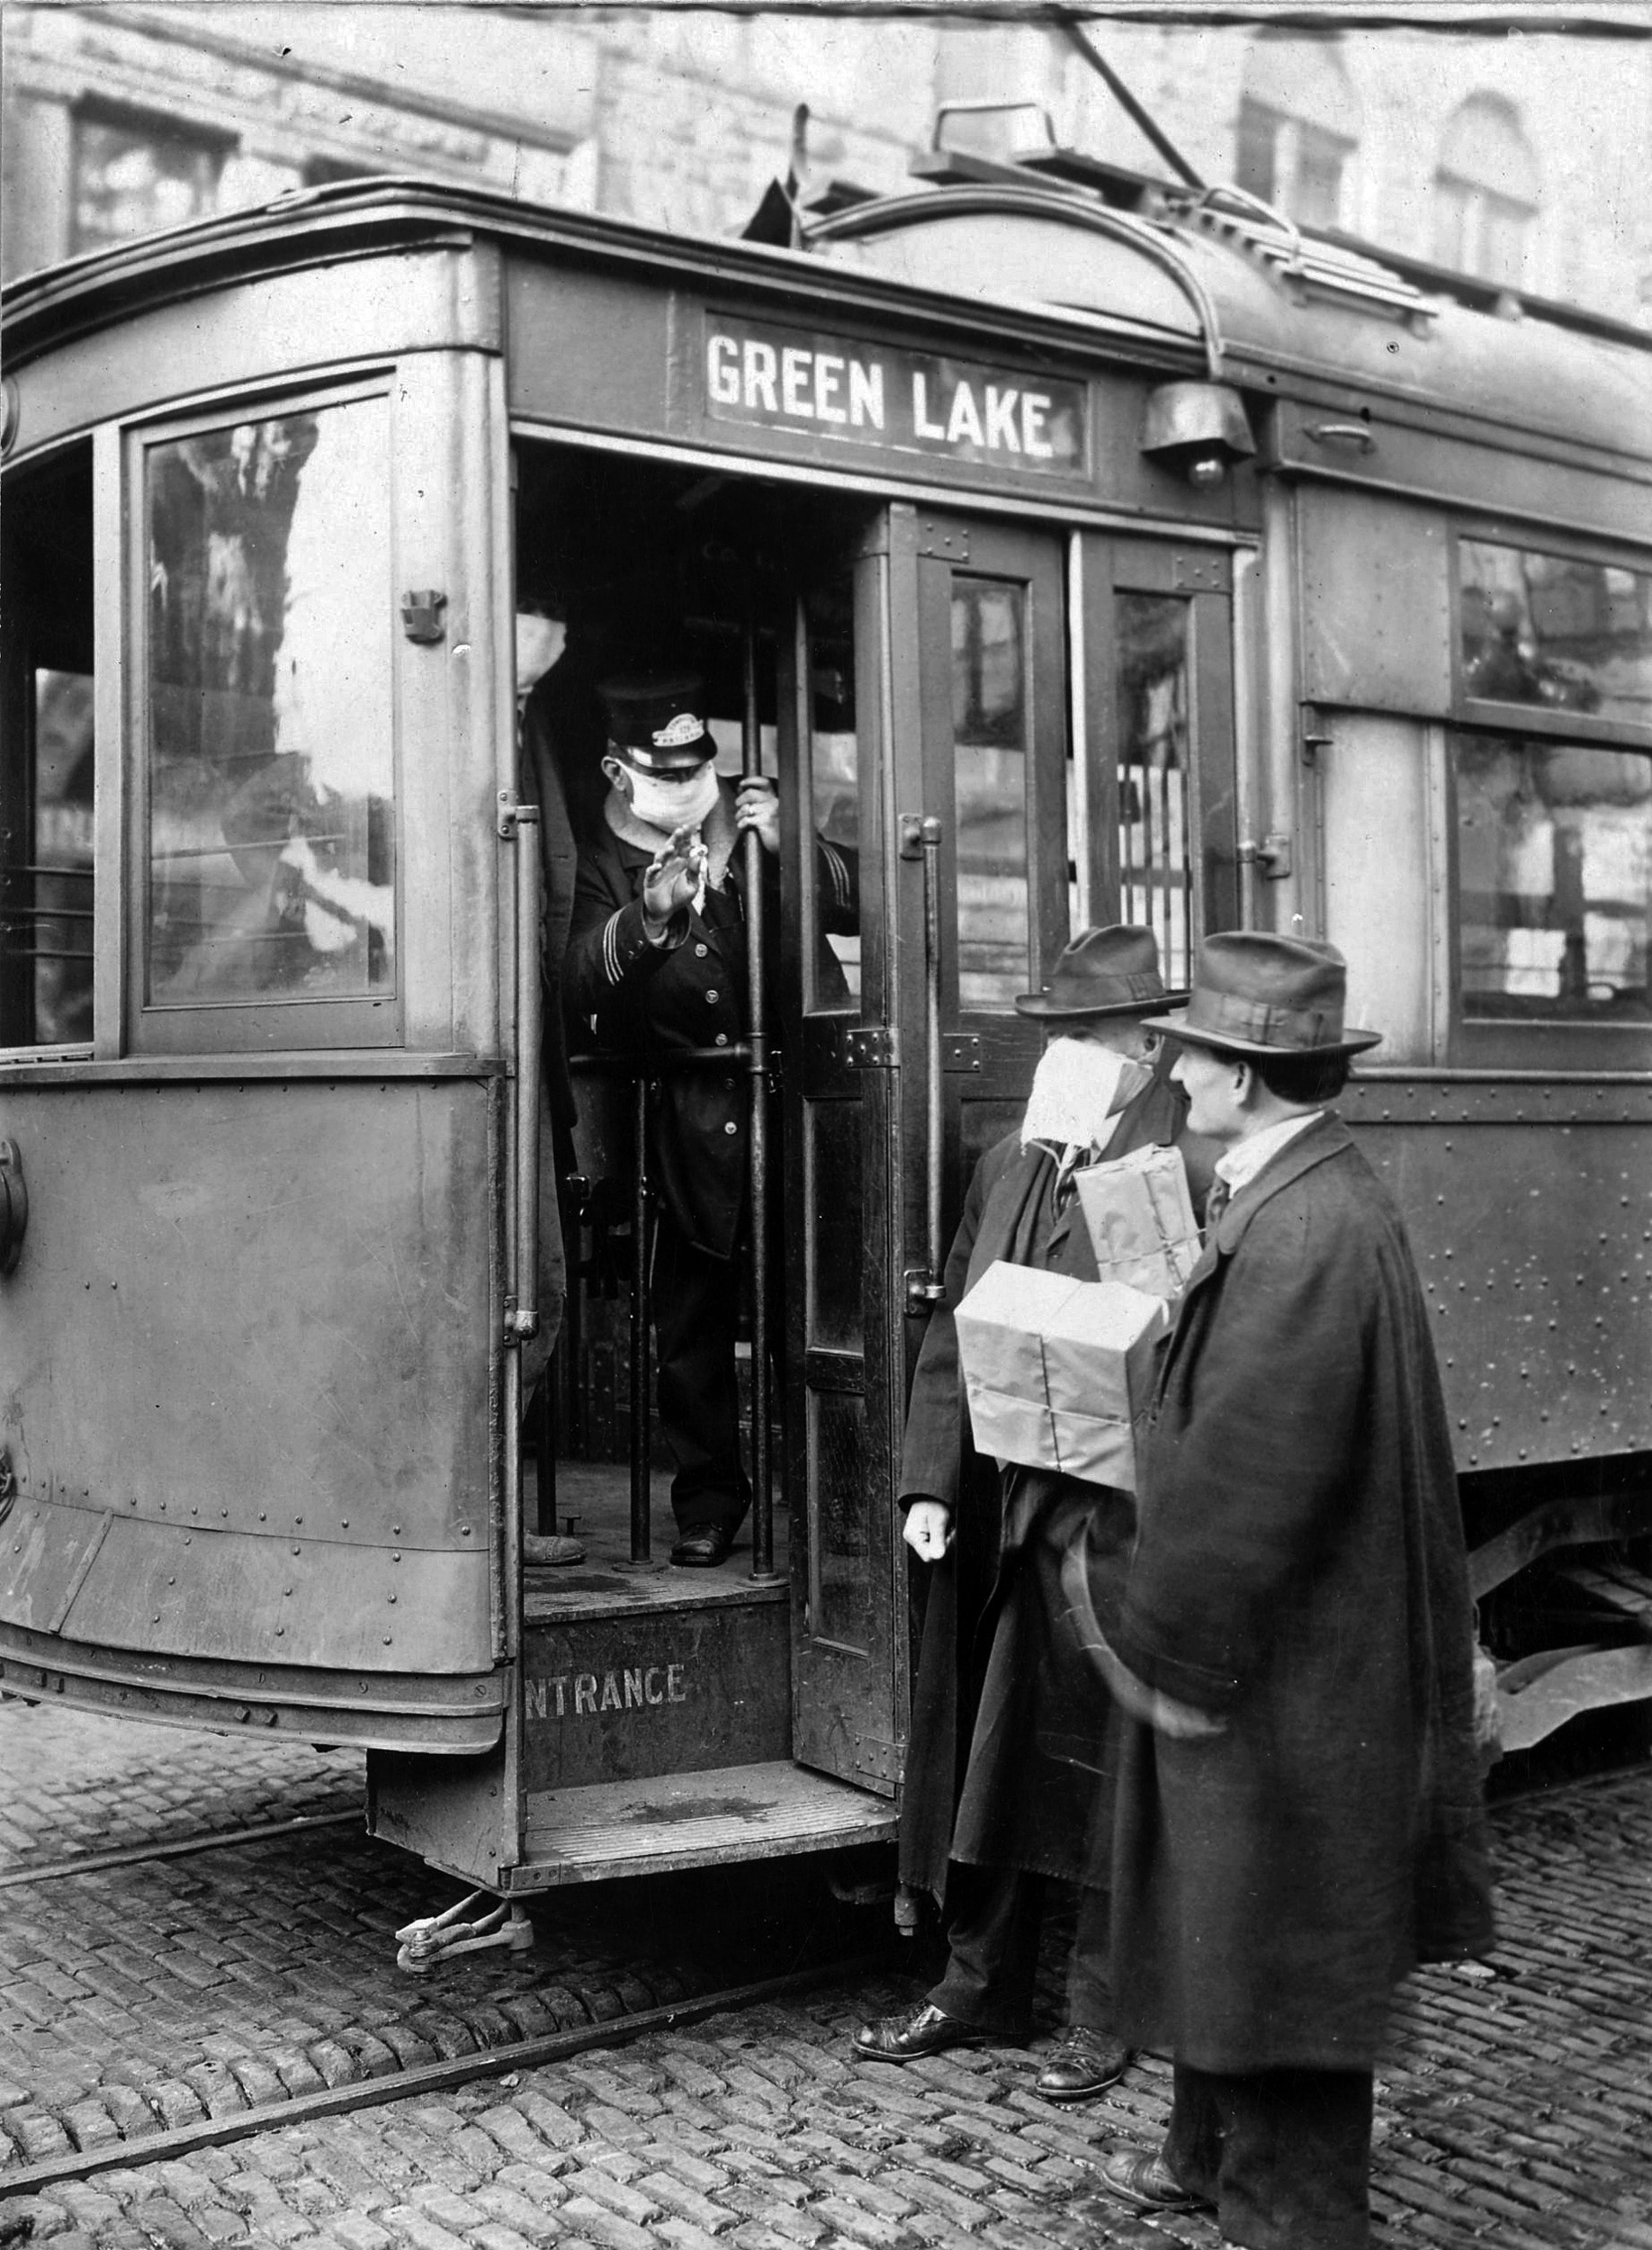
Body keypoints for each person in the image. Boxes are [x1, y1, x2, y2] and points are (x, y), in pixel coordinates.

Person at [1071, 932, 1494, 2250]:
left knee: (1282, 1941)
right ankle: (1208, 2158)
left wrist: (1151, 1628)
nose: (1171, 1066)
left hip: (1281, 1672)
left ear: (1243, 1077)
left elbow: (1249, 1474)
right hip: (1298, 1659)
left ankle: (1293, 2218)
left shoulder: (1301, 1225)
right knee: (1238, 1919)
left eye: (1187, 1050)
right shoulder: (1302, 1192)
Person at [854, 926, 1215, 2099]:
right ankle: (980, 1987)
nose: (1057, 1051)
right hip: (1005, 1512)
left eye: (1083, 1034)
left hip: (1118, 1519)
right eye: (1054, 1032)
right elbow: (954, 1327)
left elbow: (1193, 1352)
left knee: (1115, 1761)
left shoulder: (1188, 1166)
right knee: (995, 1754)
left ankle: (1110, 2012)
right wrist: (926, 1480)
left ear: (1148, 1045)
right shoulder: (1014, 1159)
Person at [562, 671, 857, 1567]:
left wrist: (792, 845)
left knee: (817, 1314)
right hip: (688, 1118)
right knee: (691, 1329)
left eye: (700, 768)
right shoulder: (604, 859)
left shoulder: (755, 817)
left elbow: (859, 903)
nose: (691, 786)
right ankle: (710, 1502)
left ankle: (830, 1495)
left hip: (799, 1109)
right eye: (667, 772)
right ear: (621, 773)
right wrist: (648, 914)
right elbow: (579, 982)